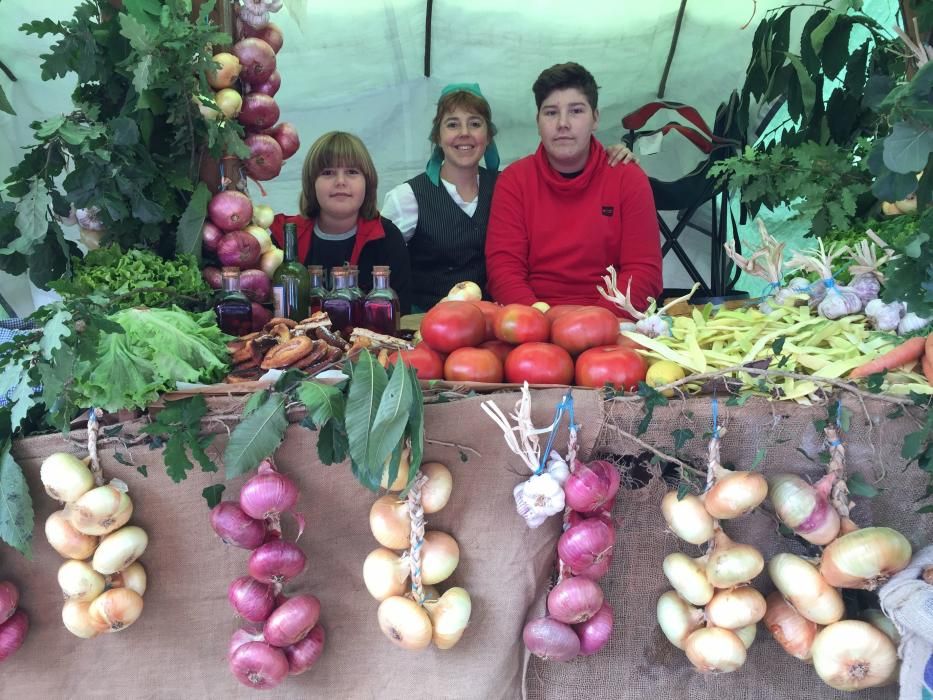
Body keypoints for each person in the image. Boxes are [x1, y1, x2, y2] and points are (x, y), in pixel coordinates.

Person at [382, 83, 635, 311]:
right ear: (437, 136)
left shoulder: (508, 185)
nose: (464, 133)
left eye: (475, 123)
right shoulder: (408, 198)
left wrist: (608, 154)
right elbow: (383, 267)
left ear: (488, 136)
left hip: (497, 322)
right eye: (452, 124)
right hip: (432, 322)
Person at [484, 63, 662, 317]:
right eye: (551, 112)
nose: (563, 123)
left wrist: (595, 322)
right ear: (538, 122)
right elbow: (503, 270)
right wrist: (539, 321)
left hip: (612, 323)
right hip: (532, 323)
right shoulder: (514, 181)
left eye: (576, 111)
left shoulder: (628, 178)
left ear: (595, 119)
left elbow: (644, 270)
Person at [270, 131, 412, 314]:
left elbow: (403, 313)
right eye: (328, 173)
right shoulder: (285, 239)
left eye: (352, 172)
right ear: (311, 184)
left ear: (368, 183)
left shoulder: (387, 237)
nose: (340, 182)